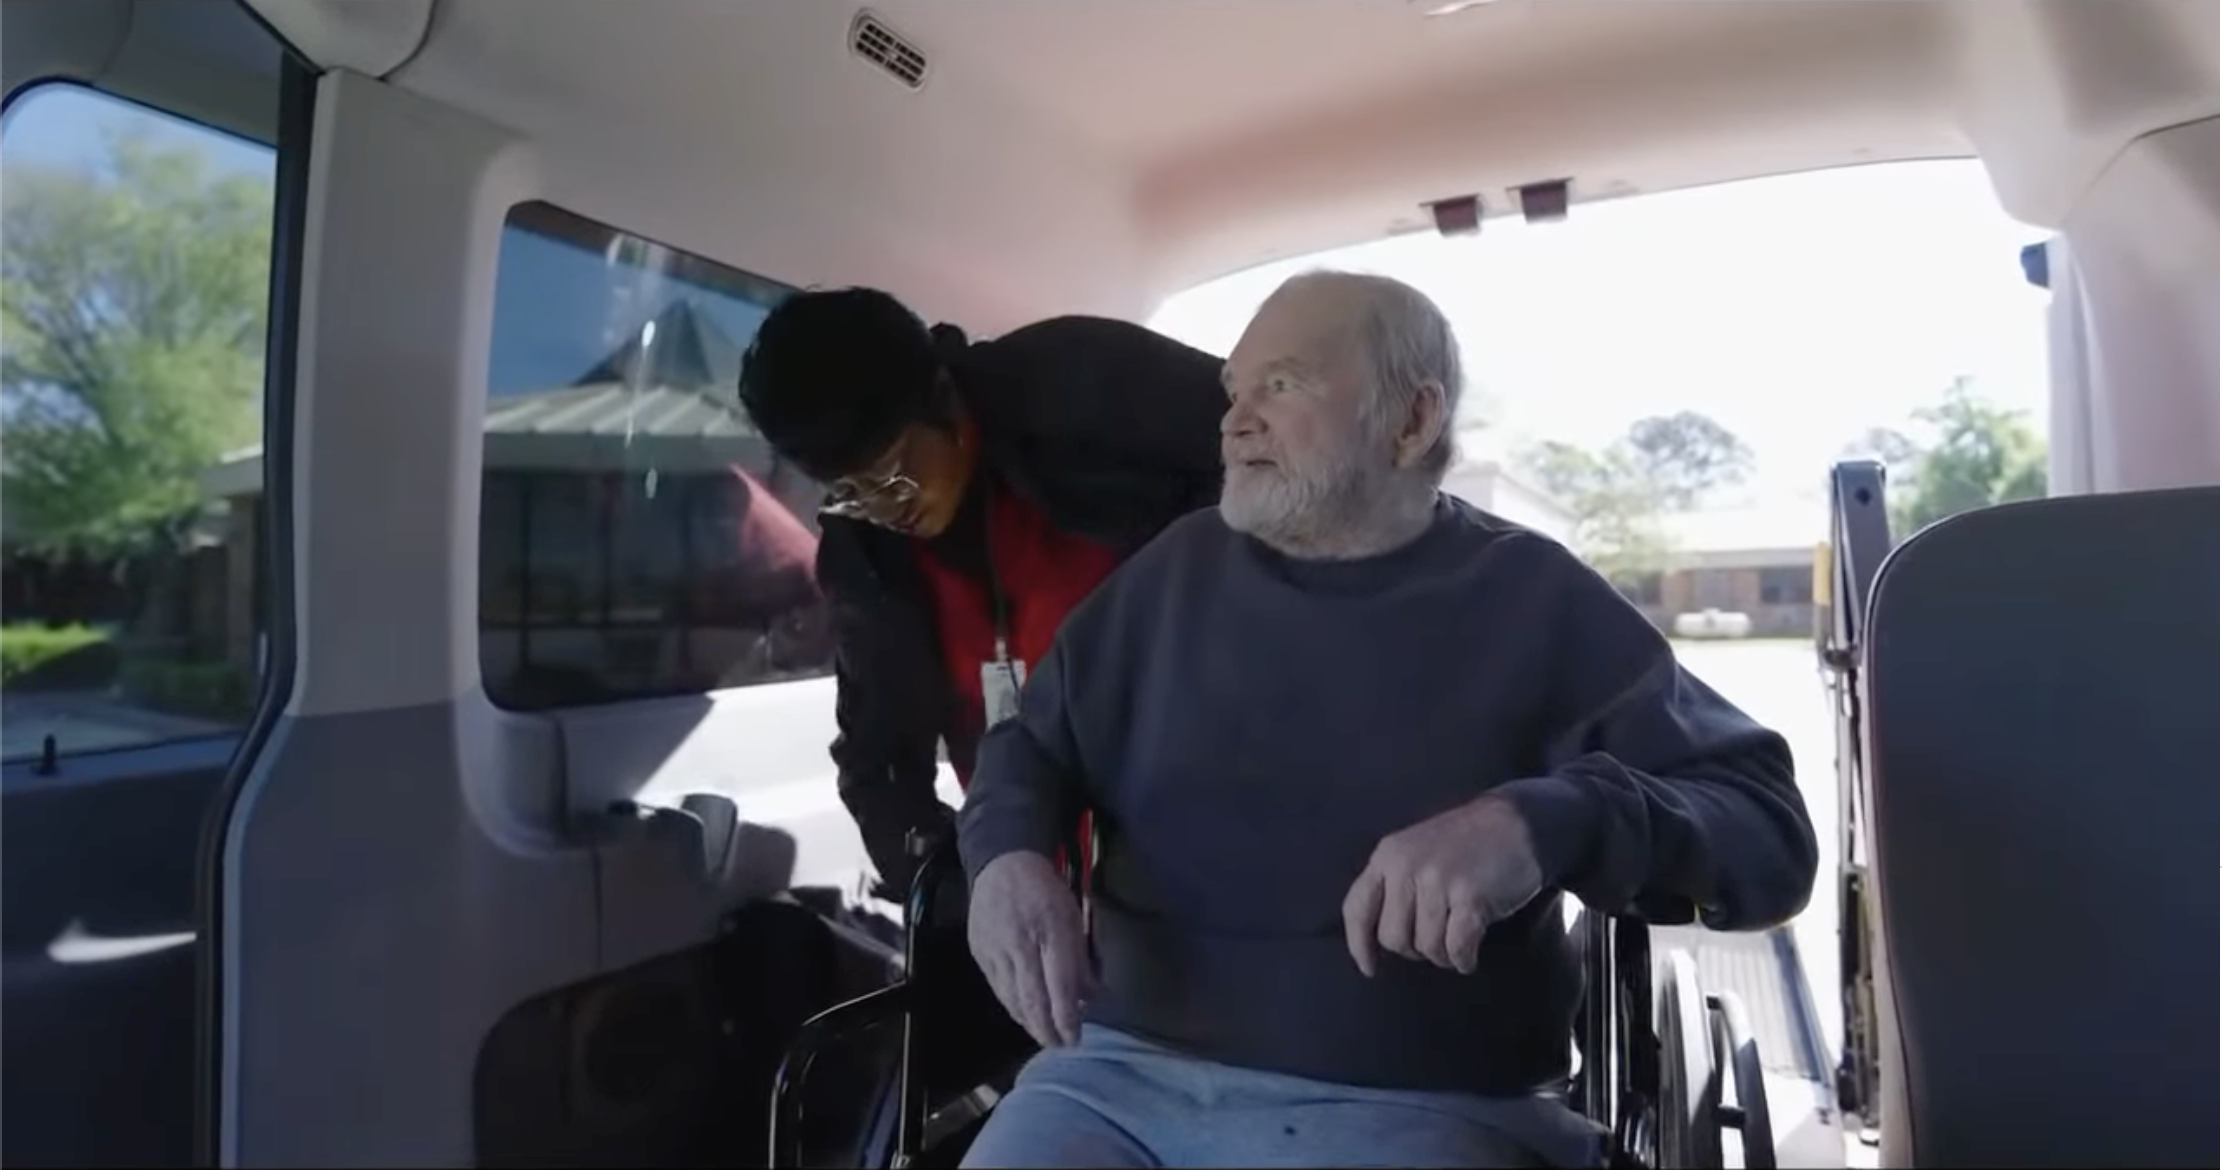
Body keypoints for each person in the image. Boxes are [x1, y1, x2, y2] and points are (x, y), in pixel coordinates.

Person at [956, 270, 1819, 1168]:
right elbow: (1028, 745)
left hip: (1418, 1107)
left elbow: (1769, 833)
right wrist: (1005, 853)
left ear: (1411, 422)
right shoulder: (1168, 576)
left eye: (1282, 385)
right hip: (1113, 1087)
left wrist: (1542, 821)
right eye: (1234, 391)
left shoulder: (1533, 601)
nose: (1234, 420)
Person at [734, 287, 1226, 901]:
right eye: (850, 492)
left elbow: (1275, 455)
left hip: (1219, 816)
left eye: (892, 472)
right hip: (1055, 880)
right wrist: (954, 891)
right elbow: (877, 759)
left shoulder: (1083, 387)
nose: (885, 507)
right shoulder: (866, 555)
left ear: (941, 396)